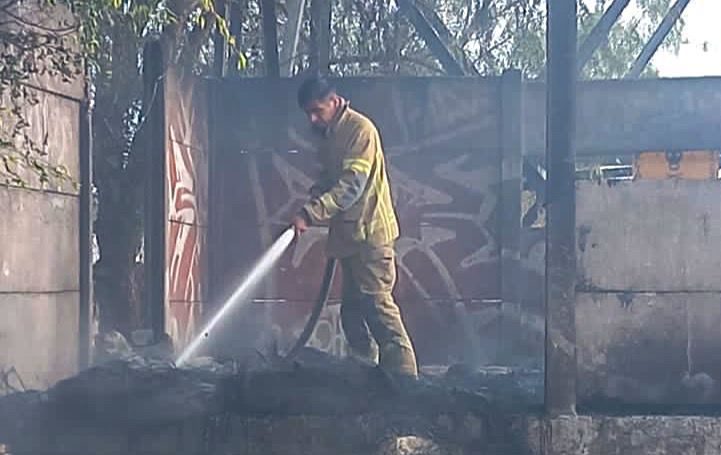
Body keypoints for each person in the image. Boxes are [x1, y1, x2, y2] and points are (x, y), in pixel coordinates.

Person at [291, 75, 418, 379]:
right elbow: (329, 180)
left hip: (370, 237)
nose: (312, 118)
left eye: (317, 111)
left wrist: (311, 213)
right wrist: (314, 197)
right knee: (353, 315)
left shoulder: (360, 131)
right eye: (308, 113)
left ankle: (406, 380)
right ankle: (365, 377)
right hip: (350, 239)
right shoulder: (330, 136)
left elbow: (351, 186)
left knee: (378, 307)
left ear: (334, 102)